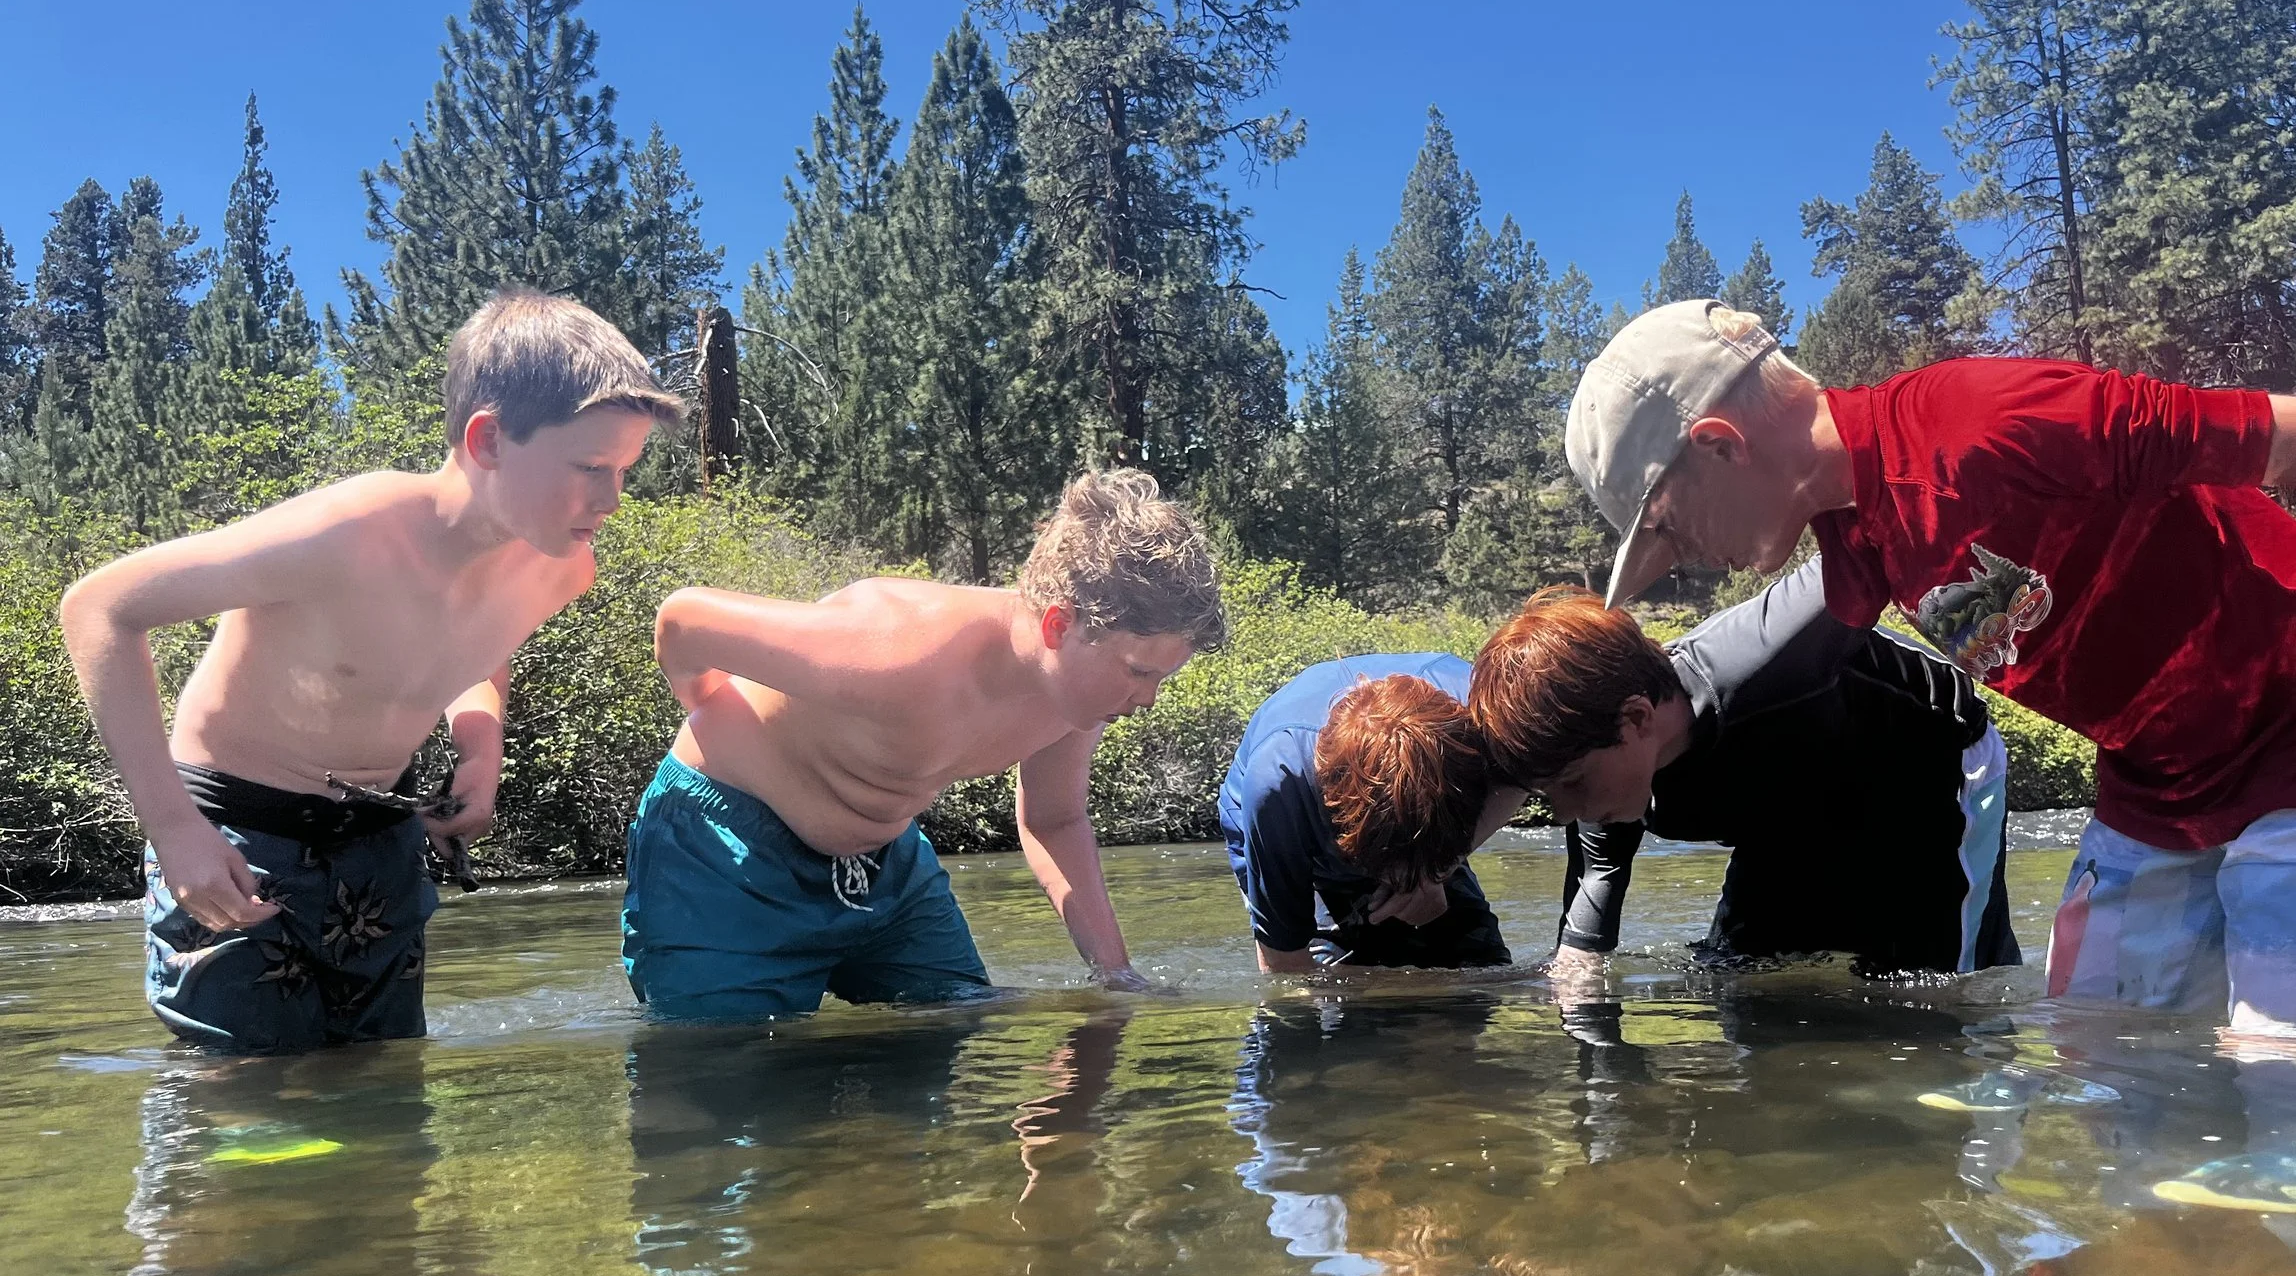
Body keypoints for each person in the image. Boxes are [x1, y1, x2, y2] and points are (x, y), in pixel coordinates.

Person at [1564, 298, 2296, 1037]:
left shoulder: (1981, 421)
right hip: (2159, 790)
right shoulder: (1856, 535)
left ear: (1720, 445)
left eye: (1668, 527)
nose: (1684, 556)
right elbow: (1757, 664)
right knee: (2098, 1059)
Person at [58, 288, 681, 1054]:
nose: (613, 498)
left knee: (382, 1088)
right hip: (234, 835)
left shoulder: (561, 566)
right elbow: (99, 608)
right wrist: (173, 829)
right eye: (590, 466)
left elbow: (481, 642)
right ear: (487, 440)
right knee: (241, 1108)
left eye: (625, 469)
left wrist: (482, 750)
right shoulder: (347, 532)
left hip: (381, 837)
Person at [622, 469, 1226, 1017]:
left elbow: (1056, 818)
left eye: (1161, 678)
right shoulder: (892, 646)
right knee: (720, 1075)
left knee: (957, 1028)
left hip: (887, 868)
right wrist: (710, 717)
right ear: (1058, 626)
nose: (1146, 699)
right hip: (723, 850)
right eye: (1139, 672)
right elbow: (682, 622)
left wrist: (1116, 973)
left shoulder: (1077, 696)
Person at [1469, 560, 2017, 978]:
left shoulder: (1762, 658)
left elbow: (1869, 540)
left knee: (1937, 991)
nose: (1566, 812)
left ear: (1636, 718)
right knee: (1736, 982)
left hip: (1925, 773)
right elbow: (1587, 932)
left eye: (1571, 784)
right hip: (1784, 808)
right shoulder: (1603, 771)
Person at [1218, 655, 1523, 971]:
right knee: (1334, 982)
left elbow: (1521, 781)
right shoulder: (1276, 789)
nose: (1401, 877)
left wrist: (1439, 869)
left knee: (1479, 968)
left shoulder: (1486, 710)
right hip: (1297, 821)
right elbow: (1283, 962)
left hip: (1430, 812)